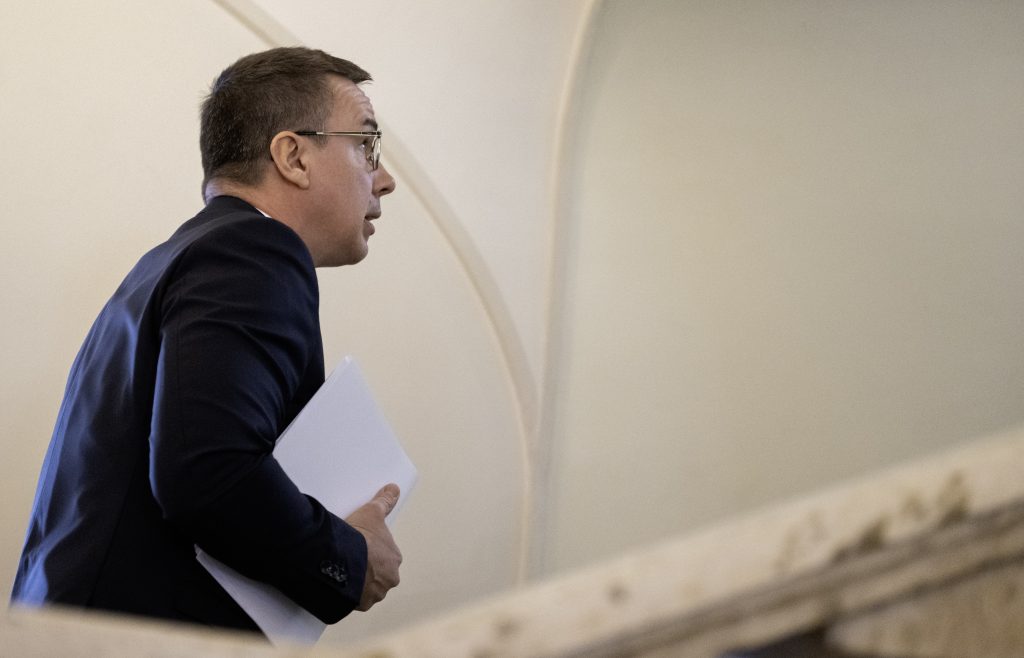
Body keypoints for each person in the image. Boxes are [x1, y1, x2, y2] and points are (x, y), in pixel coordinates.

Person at [11, 47, 401, 635]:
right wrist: (348, 558)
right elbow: (207, 472)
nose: (385, 179)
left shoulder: (171, 259)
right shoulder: (252, 253)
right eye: (366, 144)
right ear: (293, 156)